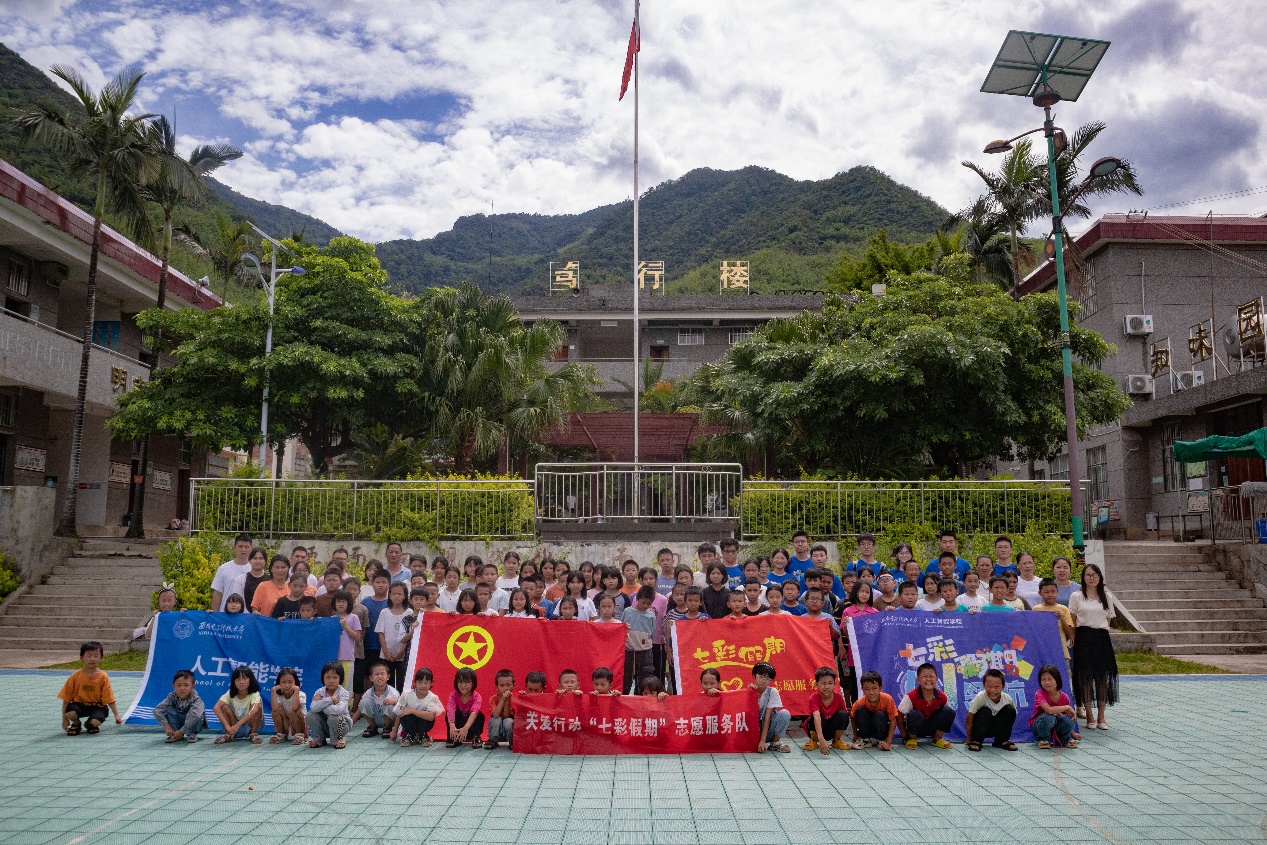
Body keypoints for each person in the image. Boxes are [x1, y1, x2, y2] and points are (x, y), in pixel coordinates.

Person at [1069, 562, 1118, 730]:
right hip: (1083, 638)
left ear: (1099, 577)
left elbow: (1108, 619)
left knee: (1102, 677)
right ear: (1083, 577)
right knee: (1085, 677)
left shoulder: (1107, 596)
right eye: (1088, 575)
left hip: (1101, 638)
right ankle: (1089, 715)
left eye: (1094, 575)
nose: (1091, 578)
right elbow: (1072, 619)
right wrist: (1073, 638)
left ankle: (1101, 716)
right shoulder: (1076, 596)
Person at [897, 662, 955, 750]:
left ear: (936, 679)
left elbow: (947, 716)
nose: (928, 679)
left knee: (949, 711)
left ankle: (937, 739)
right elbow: (899, 716)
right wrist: (905, 736)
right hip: (916, 729)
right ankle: (912, 739)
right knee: (915, 714)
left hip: (933, 729)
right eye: (924, 676)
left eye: (931, 677)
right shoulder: (911, 696)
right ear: (918, 680)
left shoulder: (943, 697)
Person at [838, 583, 877, 700]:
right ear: (855, 593)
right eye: (861, 591)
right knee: (855, 684)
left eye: (867, 592)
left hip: (871, 655)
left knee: (872, 681)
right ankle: (856, 707)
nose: (864, 594)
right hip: (854, 655)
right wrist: (846, 625)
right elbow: (845, 634)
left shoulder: (874, 611)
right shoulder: (848, 611)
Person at [964, 668, 1018, 751]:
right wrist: (968, 738)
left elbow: (1011, 719)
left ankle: (1002, 741)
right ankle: (976, 740)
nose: (992, 690)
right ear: (983, 685)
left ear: (1003, 687)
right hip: (980, 729)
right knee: (985, 711)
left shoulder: (1007, 699)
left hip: (996, 729)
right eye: (989, 686)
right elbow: (969, 718)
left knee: (1010, 710)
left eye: (997, 687)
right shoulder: (980, 697)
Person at [357, 571, 391, 699]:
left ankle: (384, 700)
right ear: (372, 583)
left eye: (384, 582)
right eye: (377, 582)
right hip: (368, 645)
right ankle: (368, 700)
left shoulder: (392, 603)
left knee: (384, 675)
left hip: (386, 647)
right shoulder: (365, 602)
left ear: (389, 584)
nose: (380, 585)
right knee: (368, 675)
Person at [1030, 664, 1079, 749]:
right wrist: (1067, 707)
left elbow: (1065, 718)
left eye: (1050, 679)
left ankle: (1065, 739)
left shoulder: (1064, 697)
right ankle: (1043, 739)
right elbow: (1049, 710)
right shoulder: (1039, 694)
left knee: (1068, 719)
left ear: (1057, 680)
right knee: (1049, 717)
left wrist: (1073, 734)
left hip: (1056, 726)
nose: (1047, 682)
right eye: (1043, 679)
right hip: (1039, 726)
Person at [307, 662, 353, 749]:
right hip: (325, 726)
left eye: (335, 677)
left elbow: (338, 710)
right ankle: (319, 739)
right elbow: (313, 708)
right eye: (328, 677)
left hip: (341, 726)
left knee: (334, 717)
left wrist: (321, 704)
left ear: (340, 678)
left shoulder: (344, 693)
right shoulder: (319, 691)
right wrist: (330, 699)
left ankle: (338, 739)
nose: (331, 681)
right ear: (323, 678)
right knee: (310, 714)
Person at [804, 666, 849, 754]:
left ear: (835, 684)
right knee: (816, 716)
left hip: (831, 729)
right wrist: (821, 739)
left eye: (830, 683)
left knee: (844, 714)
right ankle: (814, 740)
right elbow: (817, 717)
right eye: (823, 683)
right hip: (818, 728)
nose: (827, 687)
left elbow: (844, 718)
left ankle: (836, 740)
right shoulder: (813, 698)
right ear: (816, 684)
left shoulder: (838, 697)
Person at [395, 666, 444, 748]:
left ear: (432, 683)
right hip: (409, 722)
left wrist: (412, 711)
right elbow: (398, 713)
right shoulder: (406, 695)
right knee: (406, 715)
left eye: (426, 683)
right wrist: (395, 731)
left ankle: (423, 736)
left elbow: (431, 716)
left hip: (424, 723)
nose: (423, 686)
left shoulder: (433, 697)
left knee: (425, 717)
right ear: (415, 683)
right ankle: (410, 736)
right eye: (420, 682)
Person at [213, 665, 263, 744]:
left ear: (250, 680)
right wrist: (227, 727)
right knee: (223, 707)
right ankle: (229, 735)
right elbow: (216, 708)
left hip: (249, 724)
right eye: (238, 679)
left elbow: (255, 709)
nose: (241, 682)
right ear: (233, 681)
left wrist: (237, 726)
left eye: (244, 678)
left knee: (258, 707)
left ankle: (253, 734)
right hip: (234, 725)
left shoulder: (254, 693)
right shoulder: (230, 693)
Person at [375, 582, 410, 690]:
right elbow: (381, 633)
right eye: (394, 594)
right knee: (387, 681)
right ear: (389, 595)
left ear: (405, 596)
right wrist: (385, 652)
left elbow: (409, 635)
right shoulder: (384, 612)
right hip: (386, 654)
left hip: (402, 655)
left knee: (401, 681)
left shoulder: (409, 612)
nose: (397, 596)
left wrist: (401, 651)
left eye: (400, 594)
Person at [622, 586, 658, 693]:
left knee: (645, 679)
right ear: (637, 598)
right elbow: (622, 629)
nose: (645, 606)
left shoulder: (651, 616)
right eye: (643, 602)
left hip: (645, 651)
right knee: (626, 679)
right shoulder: (627, 612)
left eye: (648, 604)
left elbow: (652, 632)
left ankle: (642, 699)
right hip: (629, 650)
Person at [850, 670, 897, 750]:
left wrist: (888, 742)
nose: (871, 692)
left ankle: (881, 740)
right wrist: (855, 736)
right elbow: (852, 717)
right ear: (862, 689)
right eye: (867, 689)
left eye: (874, 688)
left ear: (880, 688)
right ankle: (865, 740)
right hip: (866, 729)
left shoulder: (888, 699)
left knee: (879, 715)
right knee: (860, 710)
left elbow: (893, 719)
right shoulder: (859, 702)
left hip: (881, 728)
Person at [154, 669, 205, 744]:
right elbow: (157, 710)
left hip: (192, 723)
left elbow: (195, 716)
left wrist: (182, 731)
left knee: (199, 714)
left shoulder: (197, 700)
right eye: (179, 685)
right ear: (174, 686)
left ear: (193, 686)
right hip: (180, 721)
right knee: (169, 709)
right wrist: (167, 726)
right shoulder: (172, 697)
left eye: (186, 685)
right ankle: (175, 734)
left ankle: (192, 734)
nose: (182, 688)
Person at [750, 661, 791, 753]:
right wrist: (750, 694)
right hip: (752, 731)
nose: (763, 680)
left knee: (785, 714)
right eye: (761, 677)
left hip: (767, 731)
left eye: (767, 678)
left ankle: (775, 743)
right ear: (754, 676)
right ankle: (751, 742)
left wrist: (762, 741)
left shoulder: (772, 692)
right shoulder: (749, 691)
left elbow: (767, 717)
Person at [352, 660, 399, 739]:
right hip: (375, 718)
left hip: (390, 720)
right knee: (364, 701)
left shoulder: (393, 692)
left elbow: (401, 708)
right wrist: (350, 724)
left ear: (388, 677)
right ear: (371, 678)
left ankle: (387, 727)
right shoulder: (368, 692)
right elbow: (360, 710)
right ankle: (372, 726)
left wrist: (395, 702)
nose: (379, 676)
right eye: (376, 674)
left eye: (382, 674)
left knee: (391, 703)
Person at [209, 533, 254, 612]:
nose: (243, 550)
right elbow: (217, 594)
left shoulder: (255, 570)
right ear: (234, 548)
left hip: (246, 615)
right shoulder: (223, 568)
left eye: (246, 547)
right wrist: (215, 615)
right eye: (240, 546)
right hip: (225, 614)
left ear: (251, 549)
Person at [1033, 578, 1075, 658]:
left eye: (1053, 591)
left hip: (1061, 651)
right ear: (1040, 593)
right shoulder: (1036, 609)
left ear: (1057, 592)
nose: (1050, 595)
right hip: (1042, 651)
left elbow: (1070, 635)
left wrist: (1062, 618)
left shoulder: (1063, 609)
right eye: (1046, 592)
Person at [329, 589, 362, 685]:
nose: (340, 604)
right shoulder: (331, 619)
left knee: (346, 685)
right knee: (332, 683)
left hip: (347, 656)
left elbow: (357, 637)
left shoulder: (353, 617)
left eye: (343, 601)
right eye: (338, 601)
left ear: (348, 603)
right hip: (333, 656)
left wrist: (345, 626)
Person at [269, 667, 307, 745]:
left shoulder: (301, 694)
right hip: (287, 724)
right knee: (276, 711)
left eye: (290, 682)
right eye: (283, 682)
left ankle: (299, 735)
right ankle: (281, 734)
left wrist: (296, 690)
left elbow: (295, 708)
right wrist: (273, 690)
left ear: (295, 682)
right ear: (279, 683)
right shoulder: (279, 696)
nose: (287, 685)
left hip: (300, 724)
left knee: (292, 710)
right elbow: (275, 709)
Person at [447, 667, 484, 747]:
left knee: (479, 715)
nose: (463, 685)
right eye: (460, 682)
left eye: (467, 682)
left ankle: (476, 737)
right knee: (449, 714)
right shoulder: (453, 696)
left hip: (470, 728)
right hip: (457, 727)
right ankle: (453, 737)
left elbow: (474, 712)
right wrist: (452, 726)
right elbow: (450, 710)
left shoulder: (477, 697)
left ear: (473, 683)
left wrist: (466, 728)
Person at [486, 669, 515, 750]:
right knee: (496, 720)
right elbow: (495, 714)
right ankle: (493, 741)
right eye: (502, 685)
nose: (505, 688)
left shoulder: (514, 699)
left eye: (508, 685)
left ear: (513, 685)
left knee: (508, 721)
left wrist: (507, 700)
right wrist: (502, 699)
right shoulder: (493, 699)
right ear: (496, 687)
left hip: (507, 726)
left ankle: (512, 742)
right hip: (497, 727)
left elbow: (506, 715)